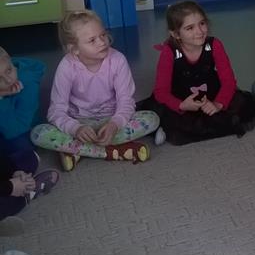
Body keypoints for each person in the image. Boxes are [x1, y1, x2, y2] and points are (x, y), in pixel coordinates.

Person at [30, 11, 160, 171]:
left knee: (152, 119)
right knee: (38, 133)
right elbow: (56, 110)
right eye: (92, 40)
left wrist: (114, 124)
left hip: (111, 119)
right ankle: (113, 151)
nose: (102, 42)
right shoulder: (67, 66)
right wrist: (75, 128)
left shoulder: (117, 60)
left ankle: (77, 150)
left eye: (103, 35)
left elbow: (126, 101)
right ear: (74, 49)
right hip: (80, 121)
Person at [139, 0, 255, 146]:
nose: (199, 31)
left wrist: (218, 104)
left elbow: (228, 81)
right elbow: (161, 91)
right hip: (180, 97)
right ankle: (165, 128)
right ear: (176, 34)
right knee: (166, 115)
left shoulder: (214, 45)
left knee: (240, 104)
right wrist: (181, 105)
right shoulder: (169, 52)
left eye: (202, 23)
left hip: (210, 93)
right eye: (190, 28)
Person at [0, 46, 59, 233]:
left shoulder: (26, 80)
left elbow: (14, 130)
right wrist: (10, 187)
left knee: (28, 156)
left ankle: (22, 186)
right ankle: (26, 194)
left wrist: (14, 173)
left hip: (17, 132)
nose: (7, 80)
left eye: (8, 70)